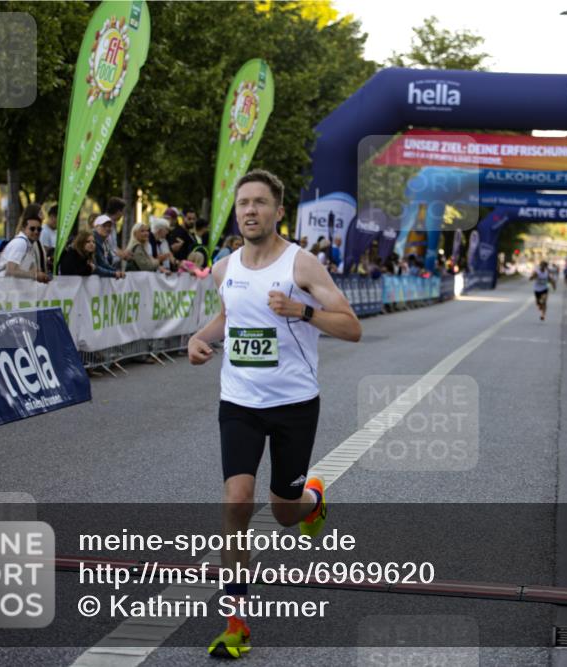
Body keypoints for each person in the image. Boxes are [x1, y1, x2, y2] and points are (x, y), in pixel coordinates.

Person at [188, 170, 361, 659]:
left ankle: (310, 501)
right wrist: (201, 339)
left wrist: (300, 312)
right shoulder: (224, 268)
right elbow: (230, 316)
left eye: (259, 203)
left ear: (278, 211)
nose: (249, 211)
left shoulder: (301, 266)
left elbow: (351, 328)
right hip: (239, 401)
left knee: (284, 513)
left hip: (294, 405)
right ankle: (236, 623)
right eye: (243, 203)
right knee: (236, 502)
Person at [0, 206, 50, 282]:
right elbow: (10, 271)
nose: (36, 232)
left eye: (39, 229)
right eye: (32, 229)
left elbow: (24, 270)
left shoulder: (29, 245)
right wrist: (35, 275)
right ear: (24, 228)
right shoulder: (20, 243)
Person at [91, 214, 125, 279]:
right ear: (96, 227)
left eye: (109, 226)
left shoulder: (105, 242)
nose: (107, 228)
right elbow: (101, 263)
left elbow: (108, 261)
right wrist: (115, 272)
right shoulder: (94, 240)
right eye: (104, 226)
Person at [104, 197, 133, 266]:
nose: (122, 214)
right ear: (118, 211)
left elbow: (113, 246)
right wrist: (123, 254)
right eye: (122, 211)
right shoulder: (104, 224)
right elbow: (107, 247)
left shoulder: (113, 225)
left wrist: (124, 253)